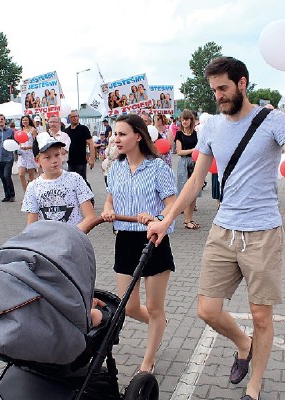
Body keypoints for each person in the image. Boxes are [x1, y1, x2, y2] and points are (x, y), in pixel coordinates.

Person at [147, 56, 285, 400]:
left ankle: (253, 388)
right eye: (214, 90)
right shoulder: (210, 126)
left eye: (223, 88)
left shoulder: (273, 121)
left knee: (261, 316)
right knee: (207, 310)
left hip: (263, 233)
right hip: (223, 230)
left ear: (242, 83)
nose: (218, 96)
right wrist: (167, 220)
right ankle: (243, 342)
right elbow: (195, 181)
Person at [101, 114, 176, 376]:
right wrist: (108, 209)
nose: (116, 139)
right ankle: (159, 324)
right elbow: (110, 200)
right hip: (124, 240)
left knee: (155, 307)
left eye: (121, 134)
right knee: (129, 307)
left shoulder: (158, 168)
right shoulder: (116, 168)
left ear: (138, 136)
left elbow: (171, 207)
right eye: (114, 134)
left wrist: (155, 219)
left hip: (152, 240)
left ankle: (148, 360)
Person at [21, 132, 96, 232]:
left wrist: (73, 233)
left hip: (73, 240)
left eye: (57, 155)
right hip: (47, 243)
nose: (54, 160)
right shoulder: (33, 187)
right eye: (47, 157)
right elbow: (31, 226)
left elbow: (90, 217)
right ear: (37, 160)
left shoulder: (75, 179)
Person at [175, 110, 200, 229]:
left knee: (194, 192)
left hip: (195, 163)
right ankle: (186, 220)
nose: (184, 121)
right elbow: (179, 152)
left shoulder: (195, 133)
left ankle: (191, 219)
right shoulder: (179, 134)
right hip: (184, 163)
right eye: (182, 119)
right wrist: (193, 150)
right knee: (186, 192)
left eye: (186, 119)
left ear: (191, 120)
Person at [64, 110, 95, 187]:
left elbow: (91, 144)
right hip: (70, 162)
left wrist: (92, 158)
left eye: (76, 116)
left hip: (81, 162)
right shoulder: (66, 131)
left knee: (82, 182)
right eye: (73, 117)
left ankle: (90, 198)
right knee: (72, 183)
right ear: (69, 118)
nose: (75, 118)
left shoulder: (83, 129)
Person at [0, 114, 16, 202]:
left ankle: (12, 194)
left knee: (7, 176)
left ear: (5, 121)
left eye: (2, 119)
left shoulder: (10, 132)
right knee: (2, 177)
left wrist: (16, 153)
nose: (0, 121)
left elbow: (15, 143)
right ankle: (7, 195)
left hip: (8, 158)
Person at [17, 115, 39, 192]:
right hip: (22, 154)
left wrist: (29, 147)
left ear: (29, 120)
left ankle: (33, 191)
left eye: (26, 120)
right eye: (23, 120)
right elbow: (19, 142)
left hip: (30, 153)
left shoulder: (33, 130)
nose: (25, 122)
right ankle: (26, 192)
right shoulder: (20, 130)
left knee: (31, 175)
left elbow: (36, 142)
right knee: (21, 174)